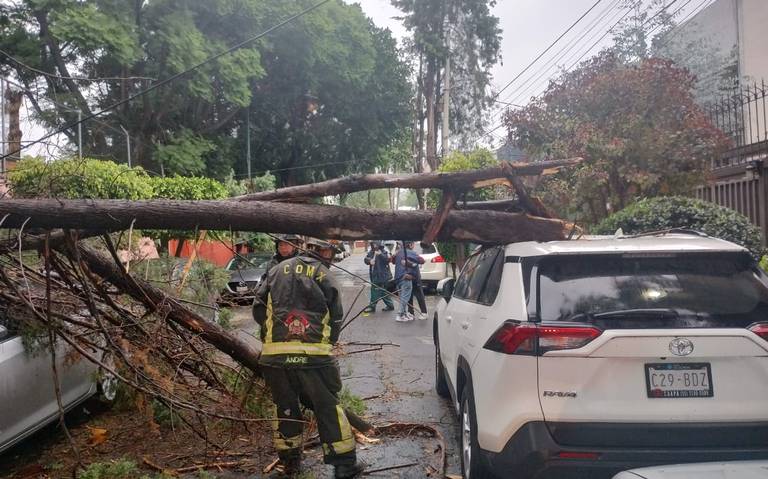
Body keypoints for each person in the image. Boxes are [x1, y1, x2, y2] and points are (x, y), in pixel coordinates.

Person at [253, 239, 365, 479]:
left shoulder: (274, 271)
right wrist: (328, 341)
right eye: (330, 253)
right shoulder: (323, 273)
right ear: (321, 253)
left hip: (276, 356)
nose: (330, 257)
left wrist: (271, 335)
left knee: (285, 408)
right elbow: (336, 314)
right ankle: (344, 465)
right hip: (314, 356)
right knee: (327, 406)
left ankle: (290, 465)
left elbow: (258, 308)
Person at [391, 241, 425, 323]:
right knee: (405, 297)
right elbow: (422, 260)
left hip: (398, 278)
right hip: (406, 278)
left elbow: (393, 261)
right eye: (413, 244)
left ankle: (405, 313)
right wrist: (413, 264)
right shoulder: (409, 252)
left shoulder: (398, 252)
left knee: (403, 296)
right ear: (410, 245)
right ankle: (400, 315)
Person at [363, 241, 394, 313]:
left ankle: (372, 306)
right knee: (382, 291)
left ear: (379, 244)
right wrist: (369, 260)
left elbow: (388, 260)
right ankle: (390, 305)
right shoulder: (371, 252)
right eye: (373, 244)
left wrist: (380, 254)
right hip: (374, 275)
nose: (374, 245)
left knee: (375, 290)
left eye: (375, 244)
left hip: (382, 275)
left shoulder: (384, 252)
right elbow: (366, 259)